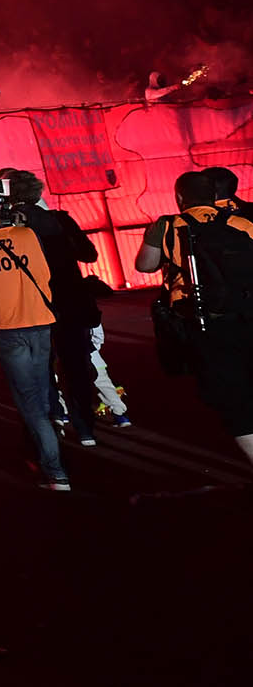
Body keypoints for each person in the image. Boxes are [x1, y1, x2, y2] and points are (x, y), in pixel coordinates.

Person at [0, 181, 71, 490]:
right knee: (41, 391)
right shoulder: (28, 234)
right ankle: (49, 442)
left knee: (29, 399)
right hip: (40, 319)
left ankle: (55, 470)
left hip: (4, 326)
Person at [135, 167, 253, 469]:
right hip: (247, 314)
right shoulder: (241, 222)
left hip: (202, 321)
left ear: (179, 198)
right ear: (215, 195)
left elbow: (145, 266)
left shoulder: (166, 226)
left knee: (231, 398)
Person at [2, 168, 112, 439]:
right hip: (69, 298)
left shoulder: (7, 226)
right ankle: (85, 427)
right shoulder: (60, 219)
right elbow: (89, 254)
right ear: (38, 192)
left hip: (32, 303)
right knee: (75, 364)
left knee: (38, 366)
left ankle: (54, 418)